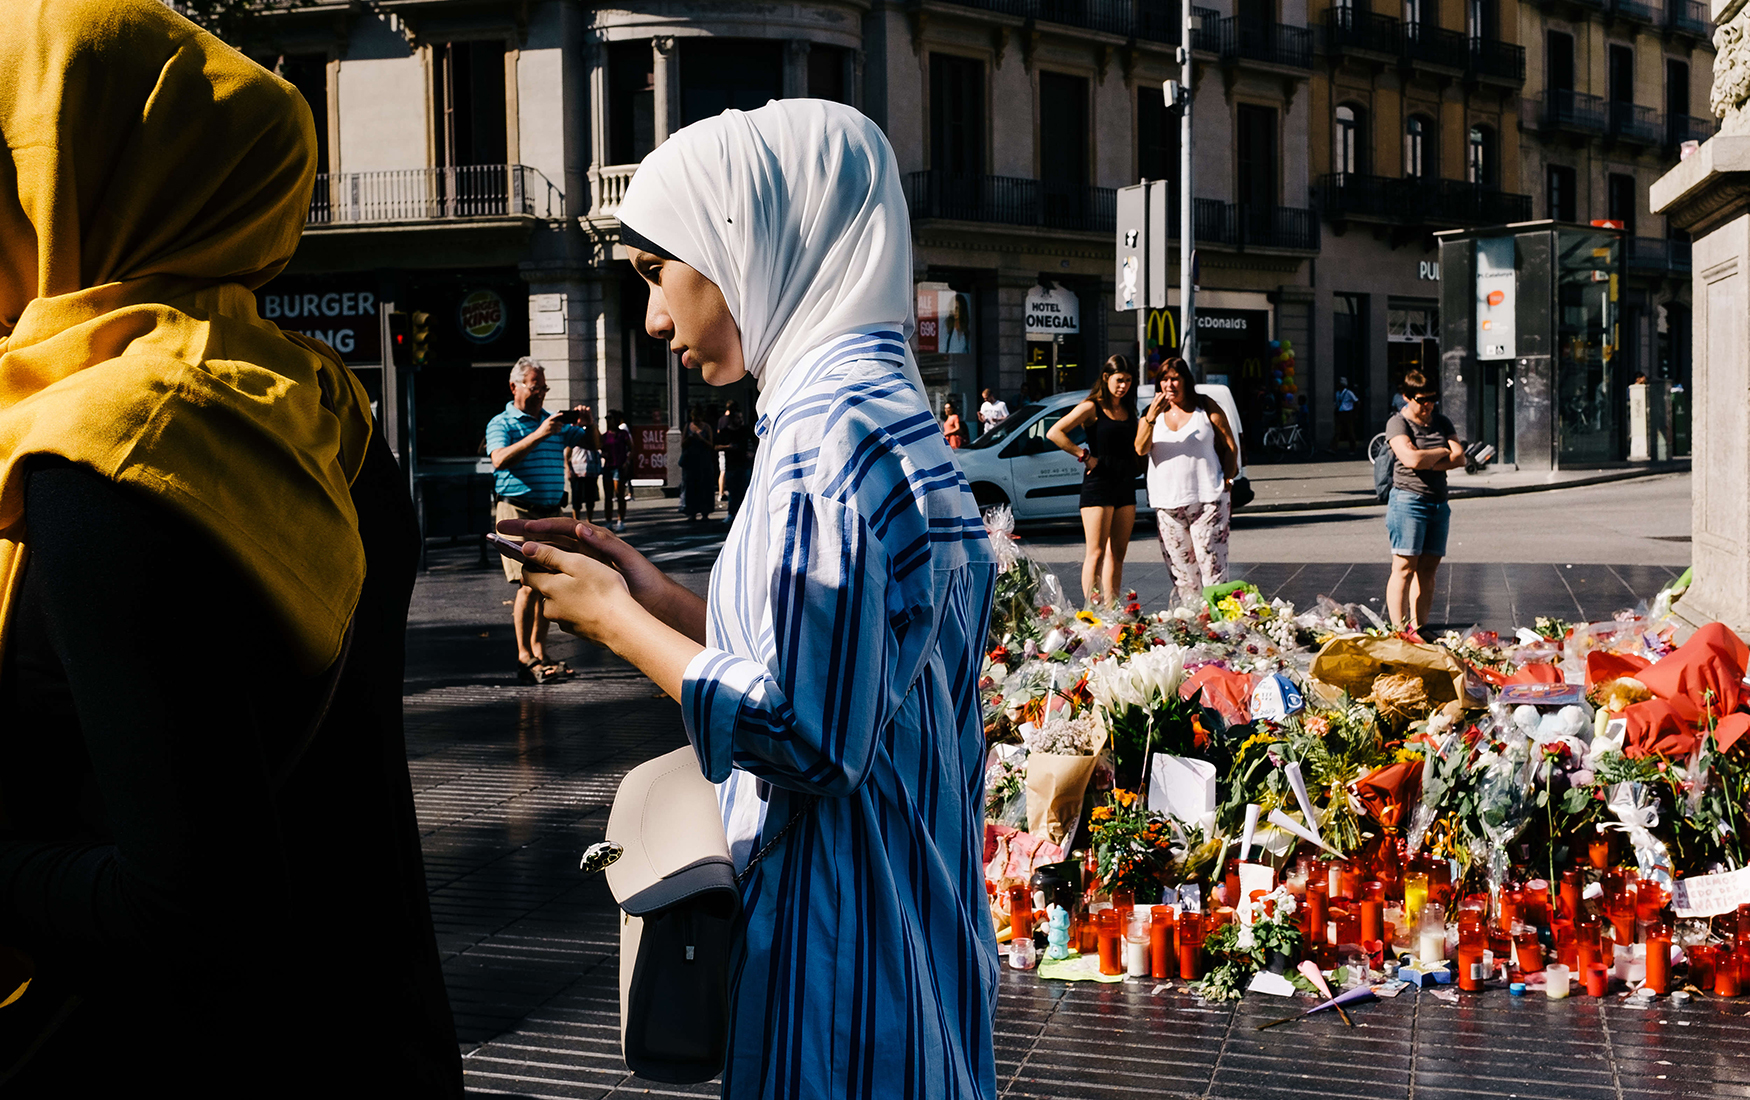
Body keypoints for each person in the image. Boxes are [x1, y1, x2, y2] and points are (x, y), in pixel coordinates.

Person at [0, 3, 462, 1093]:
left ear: (76, 180)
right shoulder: (312, 401)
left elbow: (193, 900)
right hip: (364, 1026)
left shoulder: (110, 447)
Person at [499, 99, 997, 1099]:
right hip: (910, 923)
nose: (650, 317)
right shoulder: (883, 408)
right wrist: (654, 592)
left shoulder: (826, 434)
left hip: (839, 957)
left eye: (655, 271)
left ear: (747, 236)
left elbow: (810, 735)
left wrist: (612, 617)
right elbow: (848, 661)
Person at [486, 357, 593, 682]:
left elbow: (592, 443)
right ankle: (524, 656)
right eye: (536, 387)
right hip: (516, 512)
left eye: (544, 387)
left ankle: (540, 652)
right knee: (527, 585)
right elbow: (499, 459)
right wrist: (540, 434)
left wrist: (590, 424)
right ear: (514, 386)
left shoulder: (552, 421)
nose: (541, 394)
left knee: (545, 586)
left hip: (550, 514)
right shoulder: (501, 422)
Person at [1136, 358, 1240, 606]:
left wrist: (1228, 478)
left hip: (1208, 501)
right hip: (1167, 505)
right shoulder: (1151, 415)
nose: (1169, 384)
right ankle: (1196, 627)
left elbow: (1229, 444)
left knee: (1212, 571)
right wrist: (1151, 415)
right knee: (1183, 577)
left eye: (1174, 378)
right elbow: (1140, 449)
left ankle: (1223, 626)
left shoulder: (1204, 406)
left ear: (1185, 380)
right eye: (1163, 379)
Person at [1048, 355, 1140, 605]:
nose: (1124, 386)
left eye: (1129, 381)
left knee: (1117, 554)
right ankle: (1092, 609)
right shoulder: (1092, 406)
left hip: (1125, 483)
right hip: (1098, 483)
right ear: (1106, 378)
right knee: (1096, 553)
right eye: (1119, 380)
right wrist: (1083, 455)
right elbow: (1055, 432)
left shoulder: (1129, 409)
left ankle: (1112, 608)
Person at [1382, 370, 1465, 633]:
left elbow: (1460, 457)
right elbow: (1411, 460)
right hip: (1408, 500)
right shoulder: (1398, 424)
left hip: (1438, 502)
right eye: (1421, 399)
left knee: (1428, 569)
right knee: (1405, 567)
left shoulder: (1441, 421)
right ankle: (1400, 630)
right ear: (1406, 397)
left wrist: (1426, 456)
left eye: (1432, 398)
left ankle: (1420, 628)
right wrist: (1442, 452)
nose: (1428, 404)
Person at [564, 403, 604, 524]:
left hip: (590, 470)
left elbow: (598, 444)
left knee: (590, 498)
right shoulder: (573, 432)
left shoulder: (590, 432)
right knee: (577, 498)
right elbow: (567, 452)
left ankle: (589, 521)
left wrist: (590, 423)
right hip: (577, 470)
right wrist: (567, 469)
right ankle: (576, 521)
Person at [716, 399, 753, 520]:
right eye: (738, 418)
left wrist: (752, 452)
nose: (740, 420)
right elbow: (715, 446)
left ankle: (744, 515)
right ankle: (732, 514)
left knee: (744, 490)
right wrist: (728, 447)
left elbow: (755, 442)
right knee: (733, 491)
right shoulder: (725, 432)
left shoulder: (745, 430)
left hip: (744, 463)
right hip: (732, 464)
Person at [681, 404, 717, 520]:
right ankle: (692, 512)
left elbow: (711, 444)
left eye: (698, 418)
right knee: (691, 486)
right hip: (691, 461)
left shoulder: (706, 427)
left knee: (705, 486)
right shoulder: (688, 426)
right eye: (694, 418)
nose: (696, 421)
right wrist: (690, 439)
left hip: (703, 460)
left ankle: (705, 512)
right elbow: (682, 443)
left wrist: (701, 439)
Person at [600, 409, 632, 531]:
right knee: (608, 496)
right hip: (608, 466)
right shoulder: (605, 436)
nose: (608, 421)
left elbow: (631, 448)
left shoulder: (623, 434)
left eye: (610, 418)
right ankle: (608, 521)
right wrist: (603, 454)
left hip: (618, 466)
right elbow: (600, 448)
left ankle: (620, 520)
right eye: (607, 419)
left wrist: (627, 461)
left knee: (619, 494)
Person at [1333, 376, 1360, 454]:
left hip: (1348, 413)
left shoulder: (1349, 393)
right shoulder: (1337, 393)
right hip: (1340, 413)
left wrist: (1355, 412)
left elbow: (1357, 401)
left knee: (1350, 431)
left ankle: (1353, 449)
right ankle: (1333, 448)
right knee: (1337, 431)